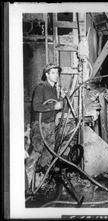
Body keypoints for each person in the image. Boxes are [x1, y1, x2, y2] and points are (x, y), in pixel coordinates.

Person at [25, 63, 65, 193]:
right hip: (40, 125)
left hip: (50, 125)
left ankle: (39, 183)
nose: (56, 75)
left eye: (57, 73)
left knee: (48, 154)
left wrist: (61, 98)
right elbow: (36, 106)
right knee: (36, 152)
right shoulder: (41, 88)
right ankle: (26, 184)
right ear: (47, 74)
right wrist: (54, 107)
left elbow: (57, 106)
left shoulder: (54, 89)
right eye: (53, 73)